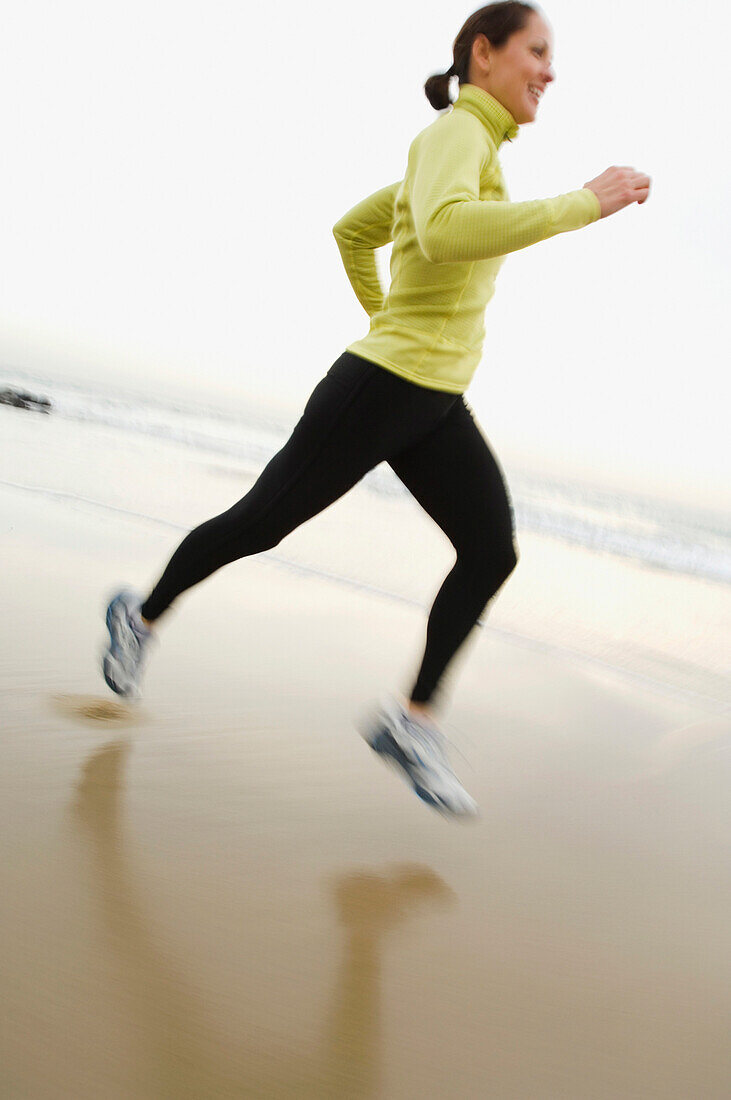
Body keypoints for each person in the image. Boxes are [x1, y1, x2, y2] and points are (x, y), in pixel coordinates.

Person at [102, 2, 650, 819]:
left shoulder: (466, 156)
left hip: (431, 400)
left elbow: (356, 232)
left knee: (489, 550)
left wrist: (387, 315)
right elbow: (438, 231)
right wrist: (578, 204)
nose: (548, 70)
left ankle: (411, 719)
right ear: (484, 53)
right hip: (384, 387)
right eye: (536, 51)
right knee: (260, 523)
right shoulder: (452, 137)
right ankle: (138, 617)